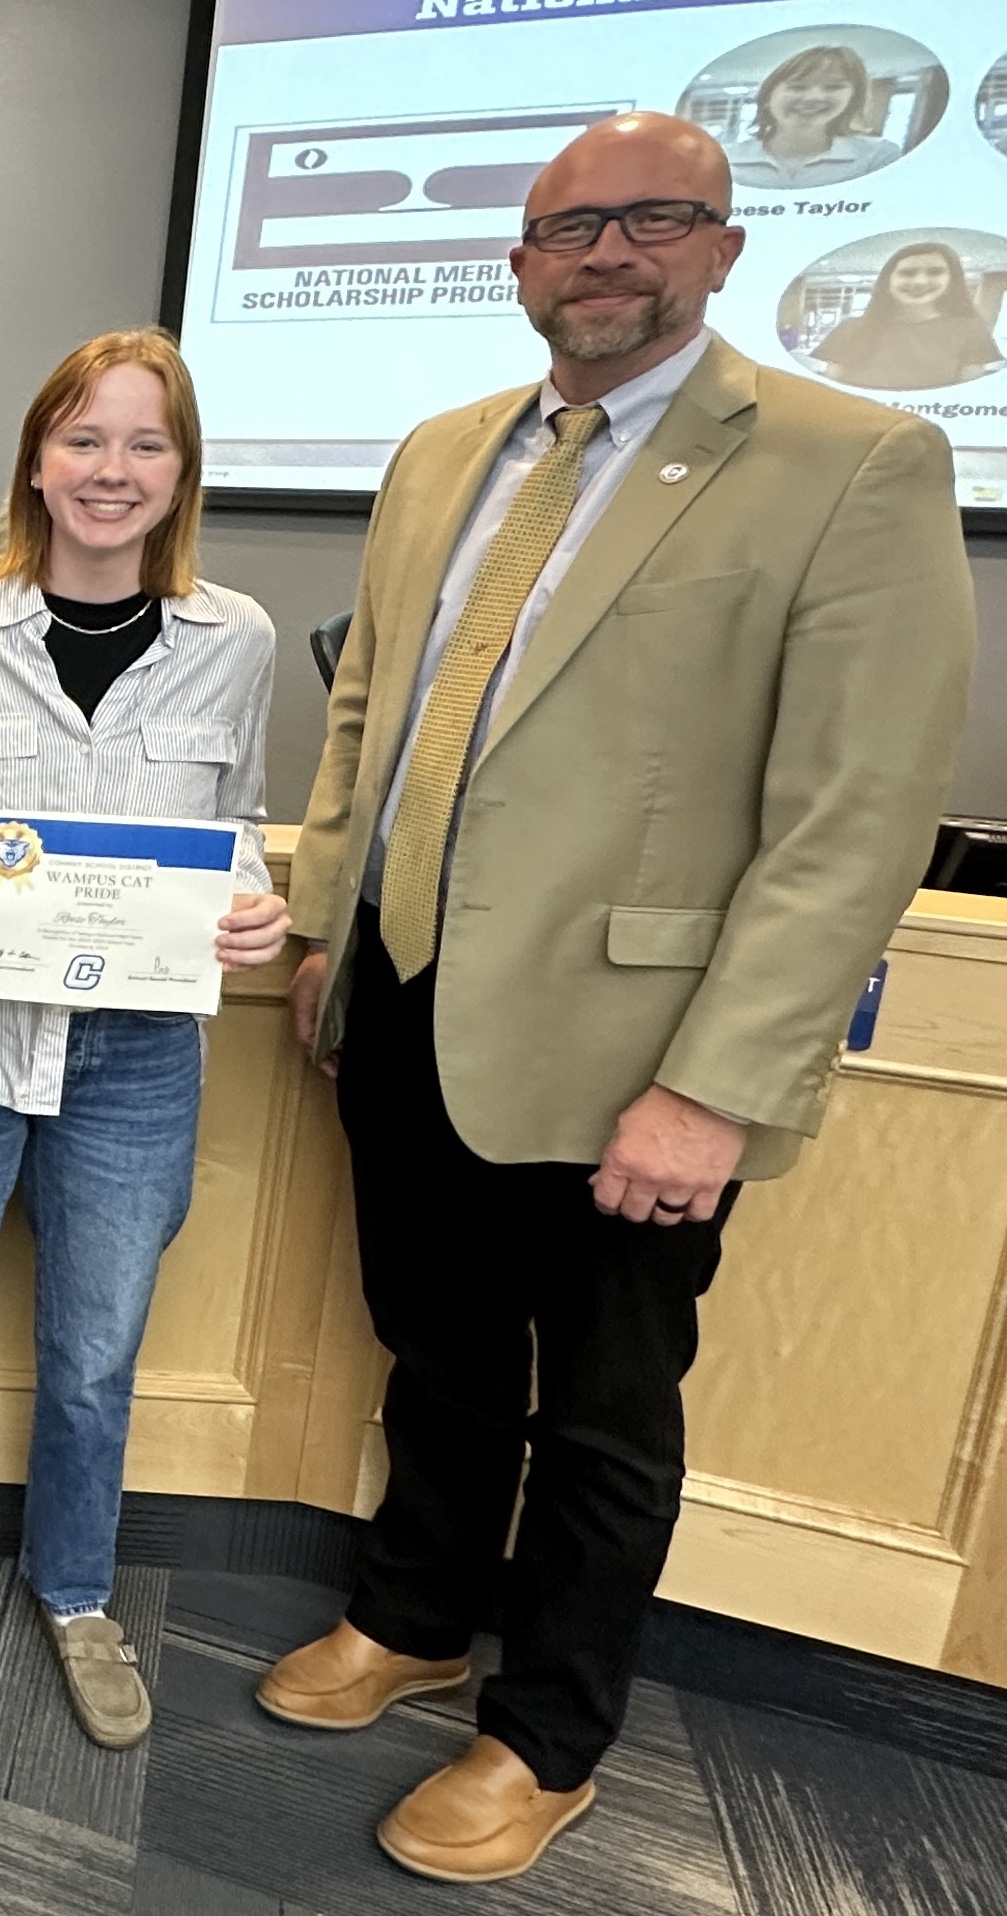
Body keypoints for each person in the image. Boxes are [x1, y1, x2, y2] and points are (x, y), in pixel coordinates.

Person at [272, 113, 971, 1882]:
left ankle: (547, 1726)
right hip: (407, 997)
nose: (605, 253)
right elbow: (372, 721)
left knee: (599, 1403)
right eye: (566, 227)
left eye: (651, 219)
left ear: (724, 246)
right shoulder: (443, 454)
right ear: (518, 261)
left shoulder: (848, 458)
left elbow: (854, 813)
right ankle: (415, 1612)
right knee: (432, 1348)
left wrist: (718, 1085)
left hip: (637, 1055)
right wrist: (320, 933)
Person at [0, 329, 286, 1750]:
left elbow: (234, 826)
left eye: (142, 444)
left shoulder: (237, 639)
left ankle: (76, 1593)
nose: (110, 471)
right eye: (83, 441)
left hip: (137, 1057)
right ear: (36, 460)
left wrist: (250, 901)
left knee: (94, 1351)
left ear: (179, 473)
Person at [810, 241, 1005, 392]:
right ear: (887, 280)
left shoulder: (970, 331)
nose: (920, 281)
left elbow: (965, 394)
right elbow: (830, 390)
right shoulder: (849, 329)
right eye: (907, 273)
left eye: (935, 272)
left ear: (951, 280)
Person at [721, 45, 901, 189]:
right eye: (797, 87)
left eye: (833, 87)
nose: (813, 97)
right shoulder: (722, 159)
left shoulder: (878, 156)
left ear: (852, 99)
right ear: (767, 96)